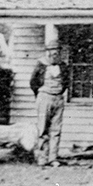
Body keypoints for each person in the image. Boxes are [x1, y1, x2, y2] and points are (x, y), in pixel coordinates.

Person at [30, 39, 69, 167]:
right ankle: (42, 157)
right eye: (52, 51)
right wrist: (41, 94)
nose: (54, 53)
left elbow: (66, 81)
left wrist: (59, 93)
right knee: (42, 129)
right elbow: (33, 82)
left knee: (56, 129)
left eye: (57, 51)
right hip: (44, 97)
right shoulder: (41, 64)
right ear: (47, 52)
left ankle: (53, 158)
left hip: (58, 98)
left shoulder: (62, 65)